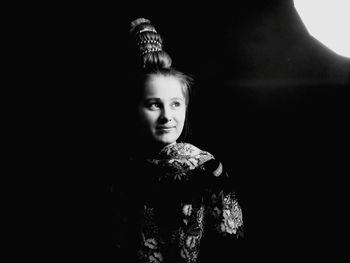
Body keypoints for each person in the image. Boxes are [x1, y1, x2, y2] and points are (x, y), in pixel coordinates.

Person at [110, 18, 244, 263]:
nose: (167, 116)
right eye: (154, 105)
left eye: (175, 104)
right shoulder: (122, 167)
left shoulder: (204, 167)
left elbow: (230, 240)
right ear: (135, 108)